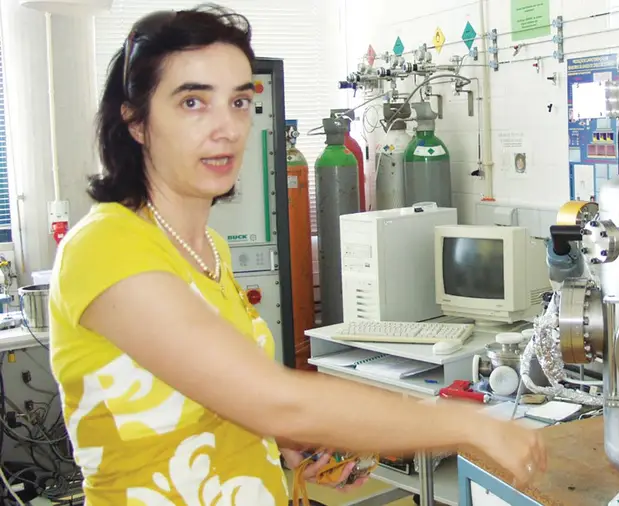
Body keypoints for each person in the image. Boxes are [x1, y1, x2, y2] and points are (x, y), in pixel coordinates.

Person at [48, 5, 546, 505]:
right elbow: (274, 400)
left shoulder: (210, 250)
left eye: (240, 102)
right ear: (135, 121)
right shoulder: (105, 249)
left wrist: (290, 444)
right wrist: (467, 422)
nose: (227, 127)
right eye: (193, 102)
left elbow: (230, 399)